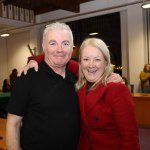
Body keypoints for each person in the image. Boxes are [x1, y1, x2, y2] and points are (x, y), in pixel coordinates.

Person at [6, 22, 80, 150]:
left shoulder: (77, 79)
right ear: (43, 46)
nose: (60, 49)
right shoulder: (27, 77)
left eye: (65, 43)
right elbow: (13, 124)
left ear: (71, 48)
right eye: (53, 43)